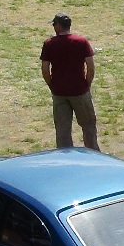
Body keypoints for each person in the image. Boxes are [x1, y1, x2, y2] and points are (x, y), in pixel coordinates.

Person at [39, 13, 100, 151]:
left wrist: (52, 85)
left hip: (59, 92)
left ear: (59, 26)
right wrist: (87, 84)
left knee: (62, 130)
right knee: (88, 125)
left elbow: (45, 68)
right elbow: (90, 66)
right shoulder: (81, 42)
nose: (53, 27)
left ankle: (65, 156)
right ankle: (92, 154)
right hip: (79, 91)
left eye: (54, 24)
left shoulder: (49, 43)